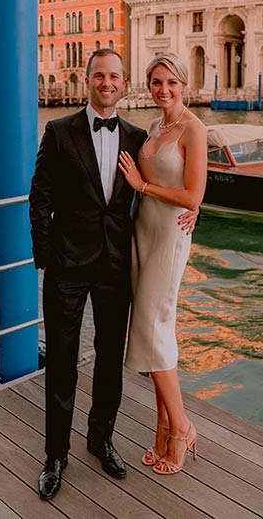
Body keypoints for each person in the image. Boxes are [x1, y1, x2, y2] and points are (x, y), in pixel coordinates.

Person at [29, 48, 148, 500]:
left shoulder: (137, 137)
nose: (107, 82)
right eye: (99, 75)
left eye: (114, 76)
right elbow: (39, 197)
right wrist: (46, 256)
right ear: (87, 79)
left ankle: (101, 439)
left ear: (124, 82)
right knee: (61, 360)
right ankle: (55, 454)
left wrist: (189, 214)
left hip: (116, 267)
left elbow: (154, 195)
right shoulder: (58, 132)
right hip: (66, 267)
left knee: (108, 361)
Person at [118, 52, 207, 475]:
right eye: (156, 82)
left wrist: (143, 185)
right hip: (142, 232)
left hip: (170, 236)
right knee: (157, 331)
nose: (163, 89)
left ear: (184, 85)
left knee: (153, 328)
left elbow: (192, 197)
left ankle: (182, 428)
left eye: (171, 82)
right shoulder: (155, 126)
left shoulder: (194, 129)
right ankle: (161, 429)